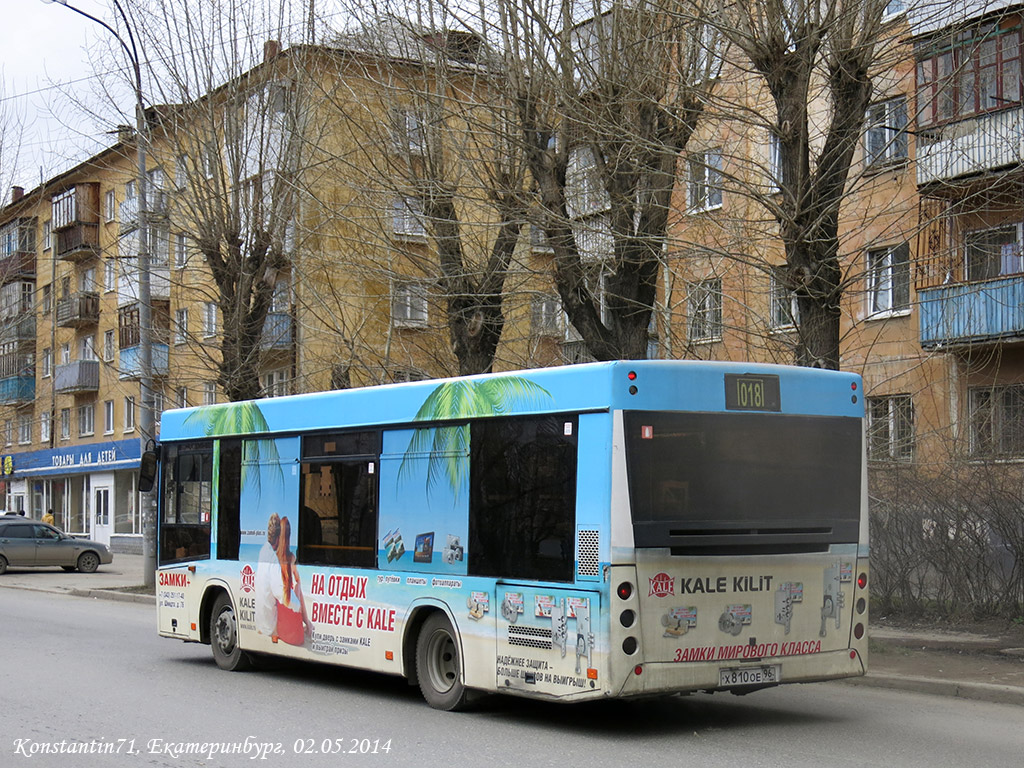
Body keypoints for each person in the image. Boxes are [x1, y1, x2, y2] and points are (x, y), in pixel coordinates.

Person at [275, 516, 312, 645]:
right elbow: (297, 581)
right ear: (289, 535)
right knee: (298, 587)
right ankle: (308, 623)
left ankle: (307, 623)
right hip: (296, 635)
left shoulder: (274, 557)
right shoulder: (291, 557)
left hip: (281, 628)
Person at [254, 514, 283, 637]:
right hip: (269, 623)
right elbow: (279, 592)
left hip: (260, 618)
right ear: (278, 538)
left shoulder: (263, 550)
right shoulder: (273, 558)